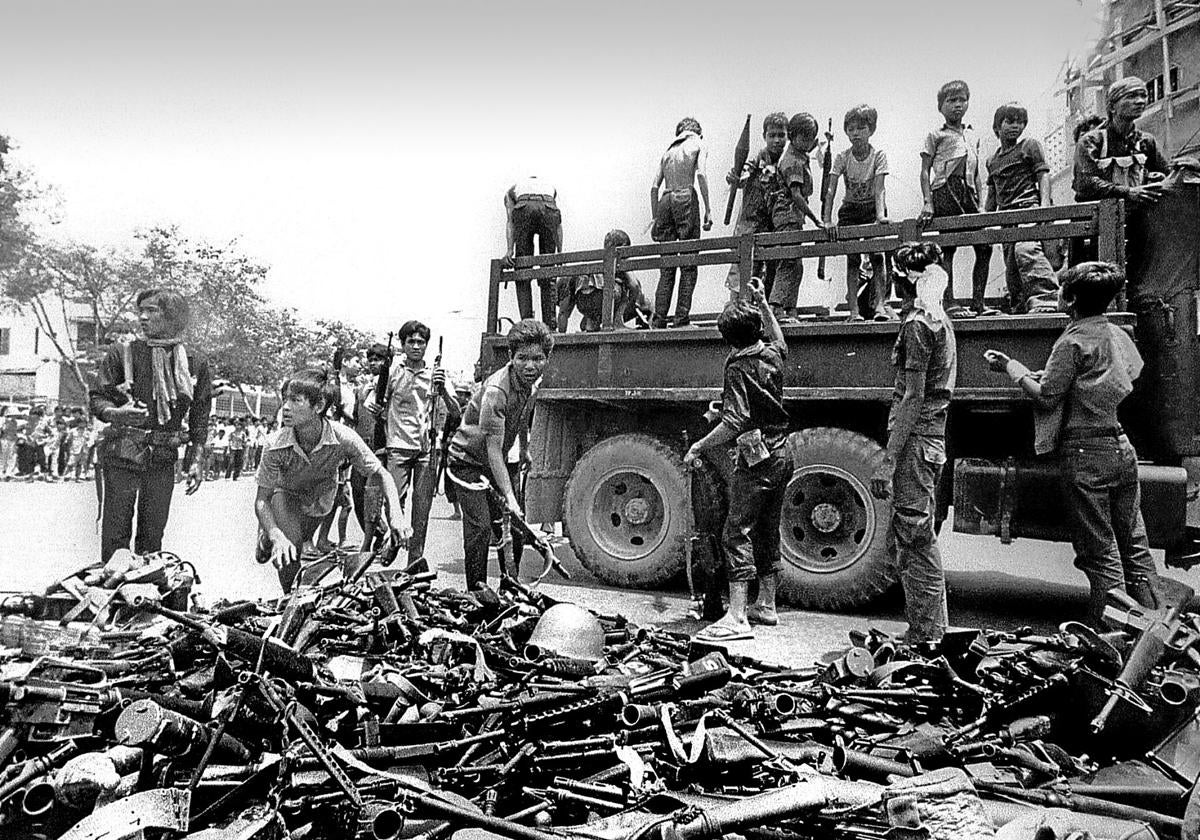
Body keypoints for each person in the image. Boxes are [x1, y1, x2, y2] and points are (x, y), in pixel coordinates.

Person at [984, 262, 1163, 628]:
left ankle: (1116, 634)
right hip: (1120, 446)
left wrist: (1012, 368)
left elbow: (1047, 398)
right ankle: (1158, 622)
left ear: (1069, 298)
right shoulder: (1116, 334)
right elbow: (1130, 372)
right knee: (1134, 544)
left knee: (1101, 551)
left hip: (1085, 455)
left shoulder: (1071, 340)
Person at [685, 277, 791, 642]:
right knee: (767, 529)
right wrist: (762, 302)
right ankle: (767, 606)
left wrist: (699, 444)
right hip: (782, 454)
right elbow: (781, 341)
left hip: (757, 460)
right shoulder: (770, 354)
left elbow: (735, 421)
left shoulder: (737, 367)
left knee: (735, 532)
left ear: (728, 340)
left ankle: (737, 616)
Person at [870, 243, 957, 644]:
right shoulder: (938, 320)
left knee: (915, 537)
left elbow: (912, 397)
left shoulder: (920, 325)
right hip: (930, 440)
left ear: (904, 278)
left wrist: (887, 463)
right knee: (919, 535)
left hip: (916, 442)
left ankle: (927, 634)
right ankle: (930, 628)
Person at [255, 367, 407, 593]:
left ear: (318, 406)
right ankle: (290, 600)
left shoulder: (343, 437)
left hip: (320, 501)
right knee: (291, 550)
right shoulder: (274, 444)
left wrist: (396, 514)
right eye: (285, 399)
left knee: (299, 539)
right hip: (284, 497)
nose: (285, 407)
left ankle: (269, 538)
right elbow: (261, 500)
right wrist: (277, 536)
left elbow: (381, 474)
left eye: (296, 400)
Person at [89, 288, 211, 562]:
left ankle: (145, 600)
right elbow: (97, 398)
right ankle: (113, 596)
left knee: (152, 537)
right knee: (115, 537)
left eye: (151, 311)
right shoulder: (122, 353)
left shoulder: (195, 362)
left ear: (173, 316)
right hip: (123, 454)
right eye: (140, 310)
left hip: (163, 459)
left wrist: (196, 458)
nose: (142, 317)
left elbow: (200, 416)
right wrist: (116, 413)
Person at [446, 319, 552, 591]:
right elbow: (493, 449)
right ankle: (477, 592)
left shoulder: (532, 385)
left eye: (538, 358)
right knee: (481, 529)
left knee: (516, 528)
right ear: (511, 357)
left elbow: (523, 418)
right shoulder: (496, 391)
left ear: (546, 358)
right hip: (467, 462)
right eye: (523, 358)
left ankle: (510, 589)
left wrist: (525, 449)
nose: (530, 366)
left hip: (495, 461)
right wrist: (509, 496)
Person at [375, 321, 461, 572]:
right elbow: (373, 402)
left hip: (427, 448)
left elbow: (456, 410)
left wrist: (443, 388)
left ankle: (414, 560)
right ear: (402, 345)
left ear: (426, 345)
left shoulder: (436, 374)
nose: (415, 346)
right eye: (410, 342)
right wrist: (378, 411)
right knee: (394, 501)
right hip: (398, 446)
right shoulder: (392, 372)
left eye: (420, 342)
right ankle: (394, 537)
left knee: (422, 507)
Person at [1072, 77, 1170, 269]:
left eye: (1143, 96)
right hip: (1095, 226)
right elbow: (1085, 183)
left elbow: (1166, 174)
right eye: (1132, 96)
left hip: (1136, 224)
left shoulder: (1146, 142)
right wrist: (1128, 192)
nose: (1140, 101)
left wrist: (1157, 178)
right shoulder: (1092, 141)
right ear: (1112, 106)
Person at [919, 80, 996, 318]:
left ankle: (979, 302)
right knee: (948, 249)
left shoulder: (972, 135)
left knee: (984, 246)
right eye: (951, 101)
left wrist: (981, 204)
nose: (957, 105)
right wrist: (928, 202)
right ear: (940, 106)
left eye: (962, 100)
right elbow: (924, 171)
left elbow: (976, 172)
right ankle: (950, 303)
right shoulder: (936, 135)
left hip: (969, 192)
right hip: (945, 190)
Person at [985, 102, 1060, 314]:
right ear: (997, 127)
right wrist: (986, 218)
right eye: (1009, 121)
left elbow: (1042, 175)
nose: (1015, 126)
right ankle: (1019, 306)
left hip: (1027, 207)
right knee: (1012, 266)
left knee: (1026, 250)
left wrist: (1044, 205)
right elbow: (993, 194)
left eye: (1020, 122)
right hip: (1006, 217)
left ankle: (1047, 297)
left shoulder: (1029, 145)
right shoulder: (992, 160)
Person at [824, 104, 893, 321]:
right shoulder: (843, 157)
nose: (856, 133)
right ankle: (854, 311)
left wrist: (880, 215)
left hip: (872, 207)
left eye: (861, 128)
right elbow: (831, 189)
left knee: (878, 256)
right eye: (851, 129)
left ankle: (880, 305)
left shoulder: (878, 155)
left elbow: (879, 188)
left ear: (871, 129)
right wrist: (826, 219)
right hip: (851, 210)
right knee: (853, 258)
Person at [650, 117, 713, 328]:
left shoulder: (668, 151)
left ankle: (658, 320)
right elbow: (701, 174)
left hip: (665, 200)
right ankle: (681, 319)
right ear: (698, 132)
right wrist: (708, 210)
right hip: (685, 195)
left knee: (667, 266)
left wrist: (655, 217)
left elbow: (653, 188)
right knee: (688, 263)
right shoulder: (699, 143)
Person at [767, 113, 827, 322]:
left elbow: (813, 149)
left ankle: (790, 307)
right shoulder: (792, 160)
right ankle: (776, 307)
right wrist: (816, 220)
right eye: (804, 137)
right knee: (788, 260)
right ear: (793, 136)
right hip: (787, 215)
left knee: (796, 263)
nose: (808, 142)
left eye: (811, 138)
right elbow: (797, 196)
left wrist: (823, 145)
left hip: (793, 217)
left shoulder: (799, 154)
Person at [725, 112, 789, 300]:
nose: (777, 140)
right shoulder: (757, 157)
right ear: (764, 137)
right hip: (749, 226)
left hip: (770, 227)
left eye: (781, 135)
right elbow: (745, 172)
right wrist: (736, 178)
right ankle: (737, 310)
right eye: (772, 135)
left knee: (769, 272)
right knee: (742, 272)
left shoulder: (787, 160)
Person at [556, 229, 651, 332]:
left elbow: (564, 312)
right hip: (604, 297)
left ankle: (591, 324)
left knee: (594, 296)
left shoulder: (590, 268)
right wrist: (630, 304)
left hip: (582, 301)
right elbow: (634, 285)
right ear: (622, 248)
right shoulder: (617, 261)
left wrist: (561, 335)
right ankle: (617, 323)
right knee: (622, 287)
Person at [503, 175, 562, 327]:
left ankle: (527, 323)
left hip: (524, 208)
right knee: (548, 269)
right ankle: (549, 325)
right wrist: (560, 253)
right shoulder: (551, 188)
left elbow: (511, 222)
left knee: (523, 267)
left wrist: (509, 251)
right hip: (549, 208)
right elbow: (557, 225)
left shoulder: (511, 190)